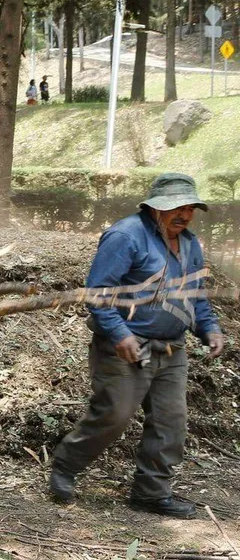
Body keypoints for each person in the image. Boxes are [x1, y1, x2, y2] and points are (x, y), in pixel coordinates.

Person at [50, 173, 226, 518]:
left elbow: (195, 295)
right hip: (125, 346)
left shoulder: (189, 244)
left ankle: (151, 492)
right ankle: (65, 467)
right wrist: (119, 334)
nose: (184, 215)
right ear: (154, 208)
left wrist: (210, 328)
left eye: (190, 207)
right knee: (113, 416)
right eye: (176, 207)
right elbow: (99, 294)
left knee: (170, 423)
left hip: (172, 349)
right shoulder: (125, 235)